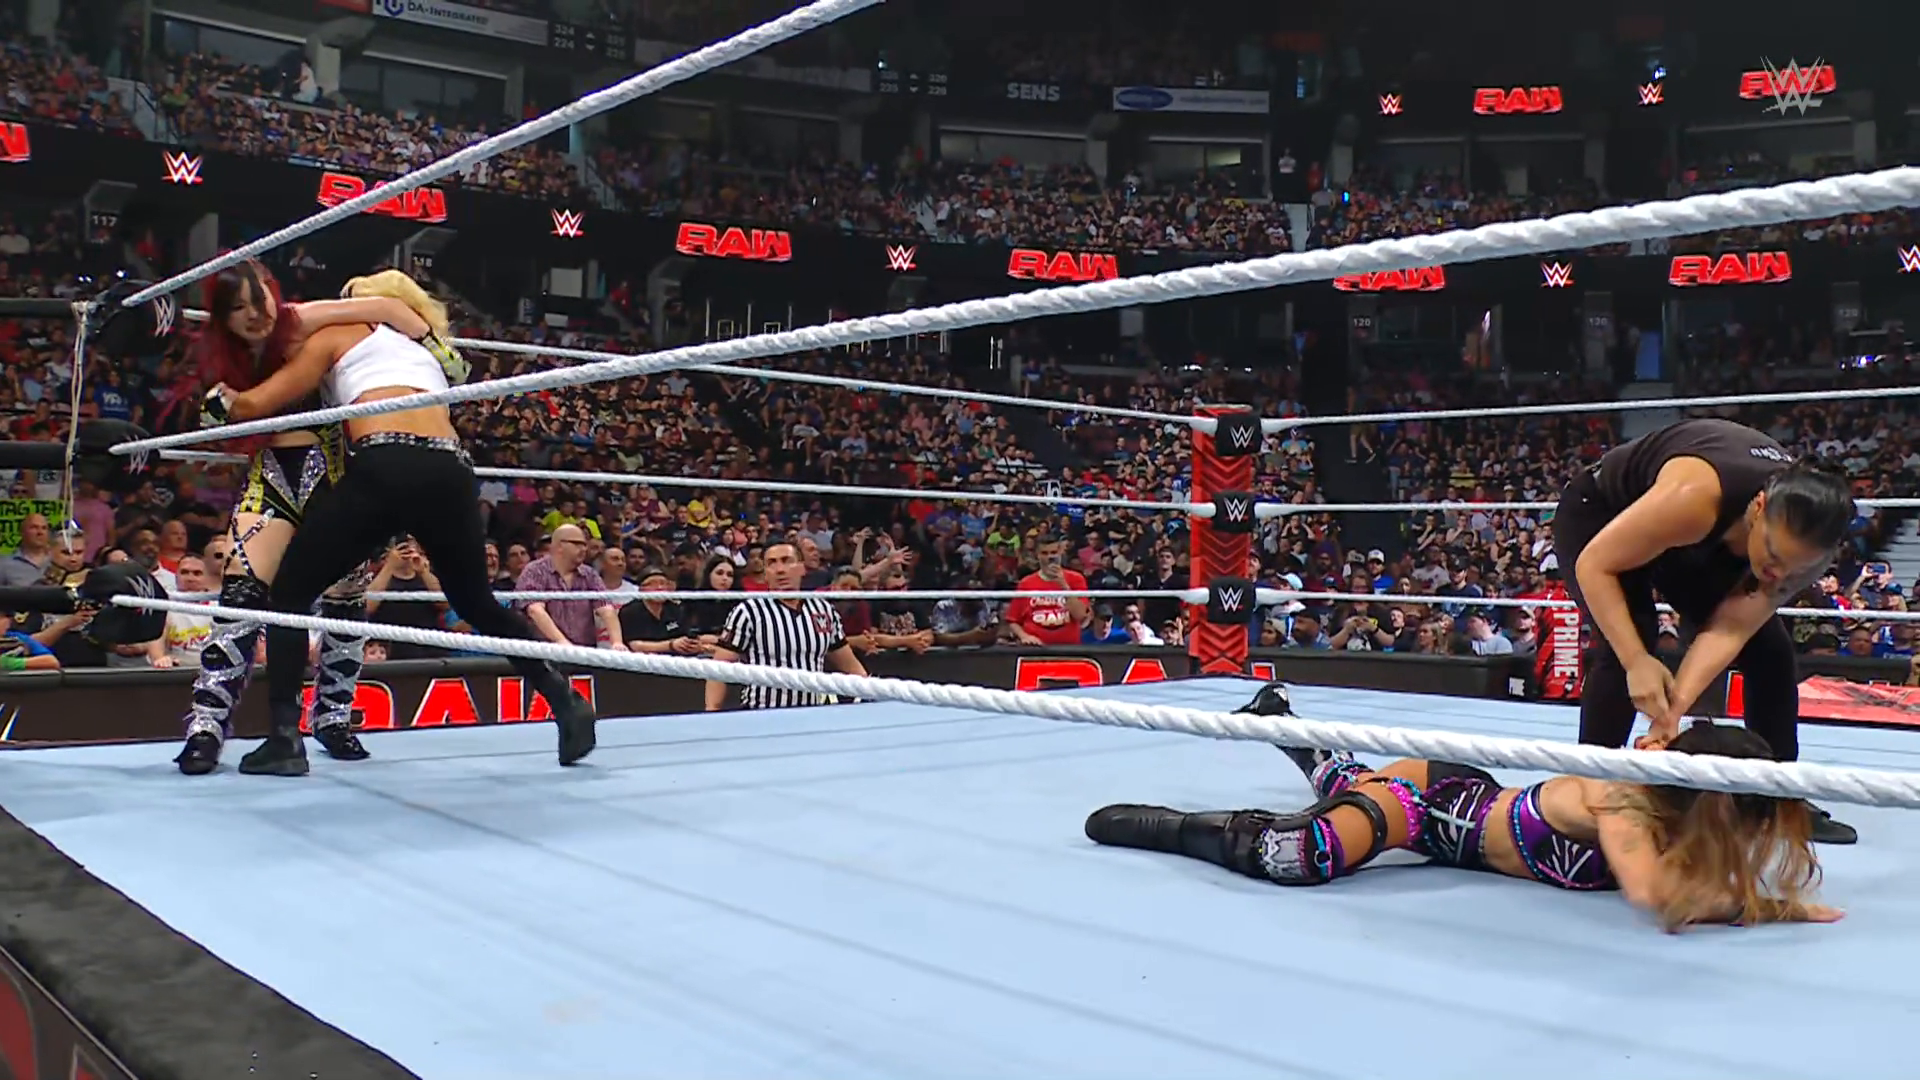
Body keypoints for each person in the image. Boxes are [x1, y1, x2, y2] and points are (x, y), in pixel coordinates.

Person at [212, 268, 595, 774]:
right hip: (451, 468)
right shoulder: (424, 348)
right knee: (476, 603)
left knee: (289, 595)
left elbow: (255, 404)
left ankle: (284, 739)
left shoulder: (335, 334)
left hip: (385, 462)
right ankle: (564, 698)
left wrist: (216, 399)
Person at [1085, 683, 1842, 933]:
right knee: (1303, 853)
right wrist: (1774, 909)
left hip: (1470, 801)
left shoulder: (1678, 816)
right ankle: (1173, 828)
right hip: (1432, 804)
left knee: (1348, 781)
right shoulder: (1621, 799)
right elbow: (1654, 895)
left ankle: (1281, 721)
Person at [175, 259, 449, 775]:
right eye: (239, 307)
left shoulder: (299, 321)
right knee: (240, 591)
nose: (255, 315)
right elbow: (216, 417)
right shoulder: (221, 353)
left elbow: (390, 308)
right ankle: (206, 728)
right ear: (223, 316)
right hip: (272, 478)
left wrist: (437, 351)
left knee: (344, 598)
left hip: (335, 476)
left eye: (260, 299)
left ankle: (333, 718)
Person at [1551, 417, 1858, 844]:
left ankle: (1776, 795)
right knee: (1630, 638)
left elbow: (1730, 629)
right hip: (1603, 511)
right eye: (1773, 556)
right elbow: (1594, 565)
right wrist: (1636, 661)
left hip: (1705, 537)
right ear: (1758, 507)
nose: (1778, 575)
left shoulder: (1803, 552)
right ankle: (1586, 785)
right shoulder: (1694, 497)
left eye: (1794, 569)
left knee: (1770, 649)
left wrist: (1670, 715)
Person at [704, 540, 867, 712]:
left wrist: (870, 691)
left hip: (811, 713)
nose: (780, 569)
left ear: (802, 568)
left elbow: (850, 664)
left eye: (786, 561)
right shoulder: (748, 612)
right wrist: (712, 711)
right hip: (762, 712)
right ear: (765, 573)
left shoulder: (823, 610)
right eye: (771, 563)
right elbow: (719, 667)